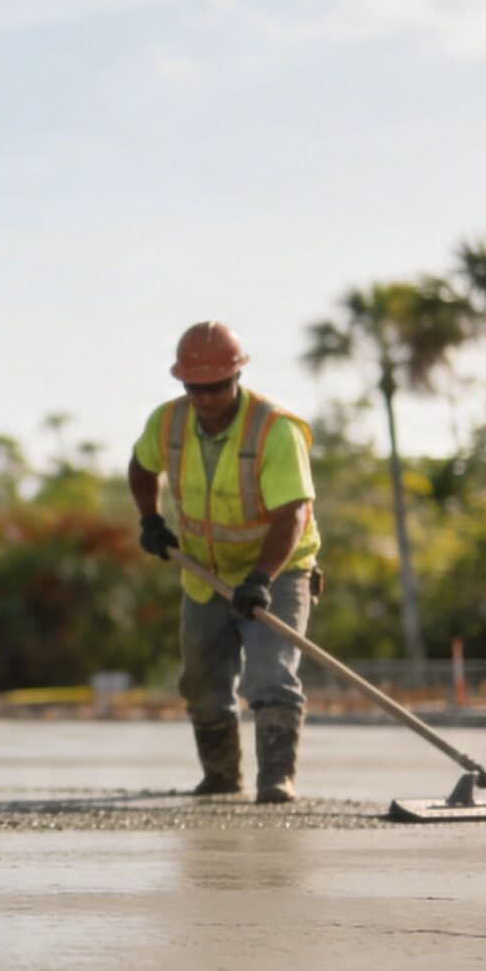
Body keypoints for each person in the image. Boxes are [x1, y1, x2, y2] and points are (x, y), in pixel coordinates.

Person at [126, 322, 322, 803]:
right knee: (202, 684)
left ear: (236, 376)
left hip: (277, 568)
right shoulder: (168, 423)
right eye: (195, 387)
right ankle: (220, 777)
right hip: (202, 572)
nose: (206, 397)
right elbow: (140, 465)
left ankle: (276, 780)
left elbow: (291, 513)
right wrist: (150, 519)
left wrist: (261, 578)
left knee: (272, 674)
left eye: (215, 386)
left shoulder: (274, 429)